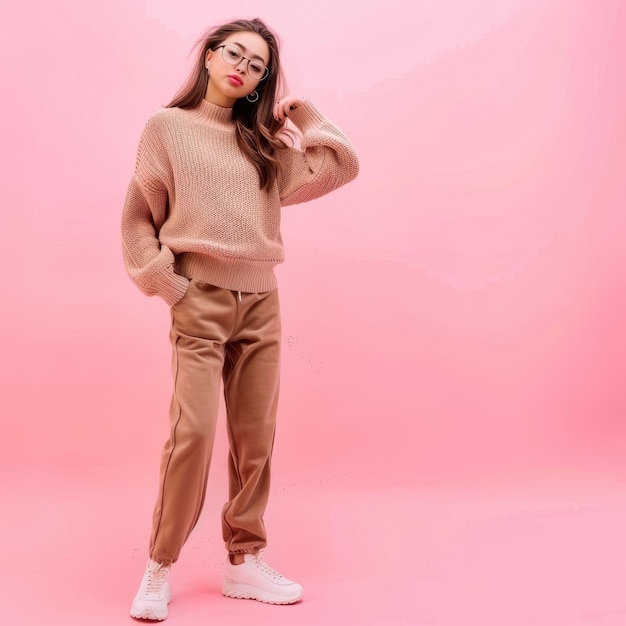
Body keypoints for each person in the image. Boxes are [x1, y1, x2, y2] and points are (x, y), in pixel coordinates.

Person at [121, 17, 359, 621]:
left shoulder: (264, 145)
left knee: (256, 439)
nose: (243, 68)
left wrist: (300, 113)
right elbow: (138, 217)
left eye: (257, 66)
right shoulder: (167, 127)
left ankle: (242, 562)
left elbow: (339, 165)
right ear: (208, 55)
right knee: (193, 435)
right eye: (235, 54)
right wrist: (166, 283)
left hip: (260, 301)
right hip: (197, 297)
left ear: (261, 83)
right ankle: (160, 565)